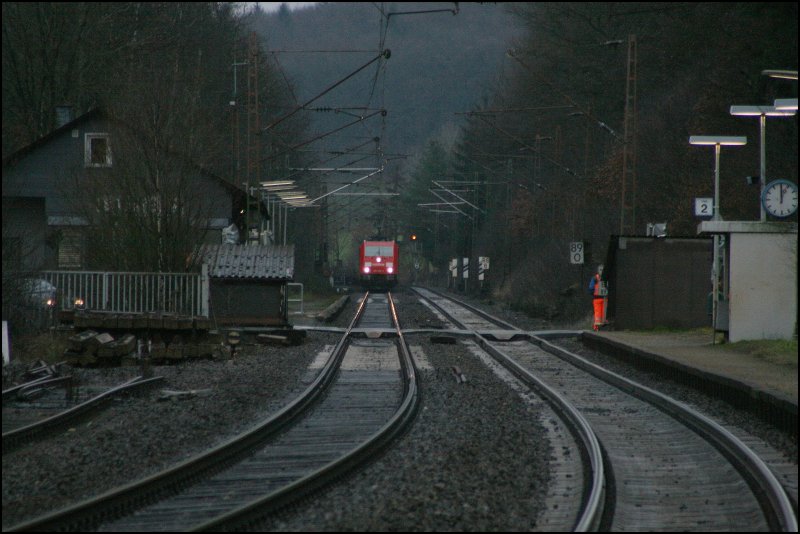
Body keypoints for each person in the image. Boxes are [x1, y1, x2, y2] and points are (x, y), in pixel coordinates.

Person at [588, 264, 608, 331]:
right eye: (600, 270)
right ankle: (597, 327)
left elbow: (591, 288)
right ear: (598, 270)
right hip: (600, 299)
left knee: (600, 314)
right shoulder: (596, 278)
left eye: (602, 270)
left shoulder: (595, 278)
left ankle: (598, 327)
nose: (601, 271)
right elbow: (591, 288)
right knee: (599, 314)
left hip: (603, 298)